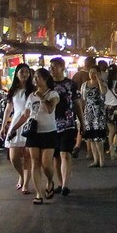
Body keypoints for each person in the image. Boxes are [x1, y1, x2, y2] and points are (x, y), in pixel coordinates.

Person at [5, 67, 59, 204]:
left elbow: (49, 109)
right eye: (34, 77)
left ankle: (50, 181)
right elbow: (25, 115)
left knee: (46, 164)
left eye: (38, 77)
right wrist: (13, 129)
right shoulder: (31, 96)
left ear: (45, 79)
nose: (34, 79)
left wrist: (41, 96)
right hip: (33, 133)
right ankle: (39, 195)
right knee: (35, 162)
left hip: (49, 132)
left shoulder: (53, 94)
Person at [48, 57, 79, 195]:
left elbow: (77, 104)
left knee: (65, 153)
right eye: (51, 67)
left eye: (55, 66)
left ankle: (65, 185)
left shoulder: (71, 84)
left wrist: (82, 123)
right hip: (51, 125)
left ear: (62, 67)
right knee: (56, 157)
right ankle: (60, 184)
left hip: (68, 124)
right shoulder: (48, 85)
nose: (52, 69)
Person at [2, 64, 36, 193]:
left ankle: (26, 183)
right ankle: (21, 176)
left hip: (30, 122)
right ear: (16, 74)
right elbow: (8, 109)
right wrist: (3, 125)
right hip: (16, 122)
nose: (25, 74)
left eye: (27, 72)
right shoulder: (13, 90)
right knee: (14, 157)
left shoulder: (33, 90)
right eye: (22, 72)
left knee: (28, 156)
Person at [80, 62, 110, 168]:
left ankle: (102, 159)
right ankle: (95, 159)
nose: (92, 74)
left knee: (99, 137)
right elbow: (83, 100)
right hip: (88, 113)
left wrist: (99, 80)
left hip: (99, 113)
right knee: (91, 137)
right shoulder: (85, 85)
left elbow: (103, 92)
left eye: (95, 73)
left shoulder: (102, 84)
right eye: (91, 72)